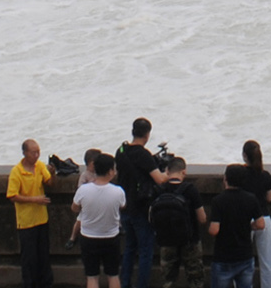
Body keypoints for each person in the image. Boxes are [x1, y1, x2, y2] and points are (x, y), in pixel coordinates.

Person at [115, 120, 166, 288]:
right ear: (147, 134)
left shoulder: (121, 151)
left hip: (124, 207)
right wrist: (170, 172)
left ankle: (124, 283)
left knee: (129, 248)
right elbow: (159, 180)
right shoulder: (143, 155)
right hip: (141, 209)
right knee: (145, 251)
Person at [148, 156, 205, 288]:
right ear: (183, 172)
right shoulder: (190, 190)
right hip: (190, 240)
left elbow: (151, 217)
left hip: (166, 240)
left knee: (168, 280)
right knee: (195, 279)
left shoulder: (159, 190)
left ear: (167, 171)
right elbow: (202, 218)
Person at [205, 165, 267, 288]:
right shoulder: (251, 199)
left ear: (225, 179)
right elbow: (261, 224)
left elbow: (214, 230)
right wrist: (249, 225)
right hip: (245, 255)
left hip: (223, 257)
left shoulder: (218, 200)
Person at [73, 152, 128, 288]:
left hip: (88, 237)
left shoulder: (83, 190)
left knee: (92, 277)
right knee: (113, 275)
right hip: (110, 237)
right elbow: (123, 206)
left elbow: (74, 208)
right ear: (110, 171)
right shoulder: (118, 191)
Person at [9, 140, 57, 288]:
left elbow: (49, 182)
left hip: (42, 219)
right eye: (33, 153)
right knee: (29, 258)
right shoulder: (17, 171)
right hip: (26, 222)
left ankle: (46, 283)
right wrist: (34, 199)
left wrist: (53, 172)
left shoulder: (40, 166)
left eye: (38, 152)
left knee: (43, 256)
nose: (36, 155)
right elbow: (12, 196)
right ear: (25, 153)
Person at [237, 141, 271, 288]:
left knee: (242, 260)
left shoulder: (239, 175)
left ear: (244, 156)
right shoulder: (265, 175)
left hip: (244, 220)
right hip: (264, 218)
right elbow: (269, 197)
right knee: (269, 261)